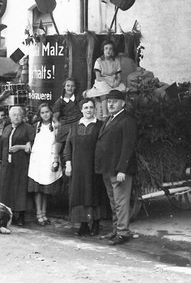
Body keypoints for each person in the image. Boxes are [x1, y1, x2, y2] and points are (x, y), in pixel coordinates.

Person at [95, 90, 137, 245]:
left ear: (122, 103)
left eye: (114, 101)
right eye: (109, 101)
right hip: (107, 168)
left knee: (121, 202)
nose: (110, 104)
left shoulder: (127, 120)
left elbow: (128, 146)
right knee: (113, 202)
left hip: (119, 170)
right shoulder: (109, 119)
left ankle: (123, 233)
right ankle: (116, 230)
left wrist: (122, 169)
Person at [64, 98, 104, 236]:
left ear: (94, 109)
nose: (89, 110)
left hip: (93, 167)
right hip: (77, 169)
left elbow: (103, 147)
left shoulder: (100, 126)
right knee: (80, 195)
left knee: (93, 194)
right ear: (81, 110)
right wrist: (68, 163)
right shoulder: (74, 126)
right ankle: (83, 225)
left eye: (91, 107)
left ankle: (96, 224)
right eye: (86, 107)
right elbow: (67, 146)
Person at [27, 103, 62, 226]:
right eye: (42, 112)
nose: (45, 114)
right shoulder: (36, 126)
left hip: (49, 158)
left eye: (47, 112)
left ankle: (44, 213)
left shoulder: (56, 126)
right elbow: (30, 141)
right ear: (39, 114)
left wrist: (56, 159)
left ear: (51, 112)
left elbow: (58, 142)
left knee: (46, 188)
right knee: (37, 189)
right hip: (37, 160)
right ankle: (38, 214)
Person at [0, 106, 35, 226]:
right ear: (9, 117)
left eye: (18, 114)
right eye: (13, 115)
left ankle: (20, 216)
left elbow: (32, 145)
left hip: (21, 163)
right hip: (6, 163)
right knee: (6, 188)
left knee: (19, 188)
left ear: (22, 116)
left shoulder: (28, 128)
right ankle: (7, 215)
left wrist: (20, 147)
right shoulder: (7, 128)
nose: (16, 117)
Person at [85, 40, 126, 119]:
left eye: (110, 49)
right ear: (103, 50)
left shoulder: (116, 61)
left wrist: (116, 83)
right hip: (102, 80)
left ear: (113, 51)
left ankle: (115, 113)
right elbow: (98, 77)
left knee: (120, 89)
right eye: (106, 48)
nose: (108, 51)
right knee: (104, 90)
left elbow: (119, 76)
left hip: (113, 80)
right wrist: (109, 81)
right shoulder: (99, 61)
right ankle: (105, 114)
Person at [52, 78, 82, 168]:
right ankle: (56, 158)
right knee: (61, 134)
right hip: (65, 122)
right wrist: (56, 122)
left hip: (77, 122)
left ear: (75, 87)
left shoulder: (78, 99)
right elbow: (55, 117)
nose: (70, 88)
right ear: (64, 87)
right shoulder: (60, 101)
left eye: (72, 86)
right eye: (68, 86)